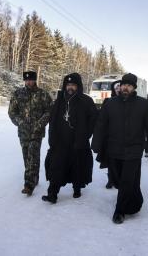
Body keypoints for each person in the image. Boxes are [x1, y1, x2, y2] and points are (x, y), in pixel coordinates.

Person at [92, 73, 148, 224]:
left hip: (134, 150)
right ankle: (134, 200)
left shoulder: (143, 105)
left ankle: (119, 211)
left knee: (126, 181)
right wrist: (96, 143)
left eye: (129, 85)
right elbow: (101, 124)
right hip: (114, 149)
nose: (126, 87)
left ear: (134, 88)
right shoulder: (110, 103)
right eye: (124, 85)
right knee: (118, 181)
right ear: (120, 86)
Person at [42, 73, 97, 204]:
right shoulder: (59, 101)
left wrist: (86, 135)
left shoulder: (86, 101)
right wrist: (52, 139)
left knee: (77, 167)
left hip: (79, 141)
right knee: (56, 167)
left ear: (78, 86)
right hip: (60, 142)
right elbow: (52, 121)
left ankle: (77, 188)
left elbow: (93, 119)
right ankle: (52, 194)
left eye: (73, 85)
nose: (70, 87)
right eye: (68, 85)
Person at [8, 71, 52, 196]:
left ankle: (28, 185)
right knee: (26, 156)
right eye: (26, 80)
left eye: (31, 80)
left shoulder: (42, 94)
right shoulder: (18, 93)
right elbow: (12, 112)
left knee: (33, 155)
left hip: (37, 132)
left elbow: (49, 111)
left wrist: (40, 123)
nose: (28, 82)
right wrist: (20, 122)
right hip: (23, 132)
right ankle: (34, 177)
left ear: (35, 80)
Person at [96, 80, 121, 189]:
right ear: (113, 90)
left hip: (123, 135)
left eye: (120, 87)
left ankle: (120, 179)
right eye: (116, 88)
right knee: (110, 159)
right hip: (110, 136)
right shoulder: (108, 101)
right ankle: (111, 179)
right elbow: (102, 118)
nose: (119, 89)